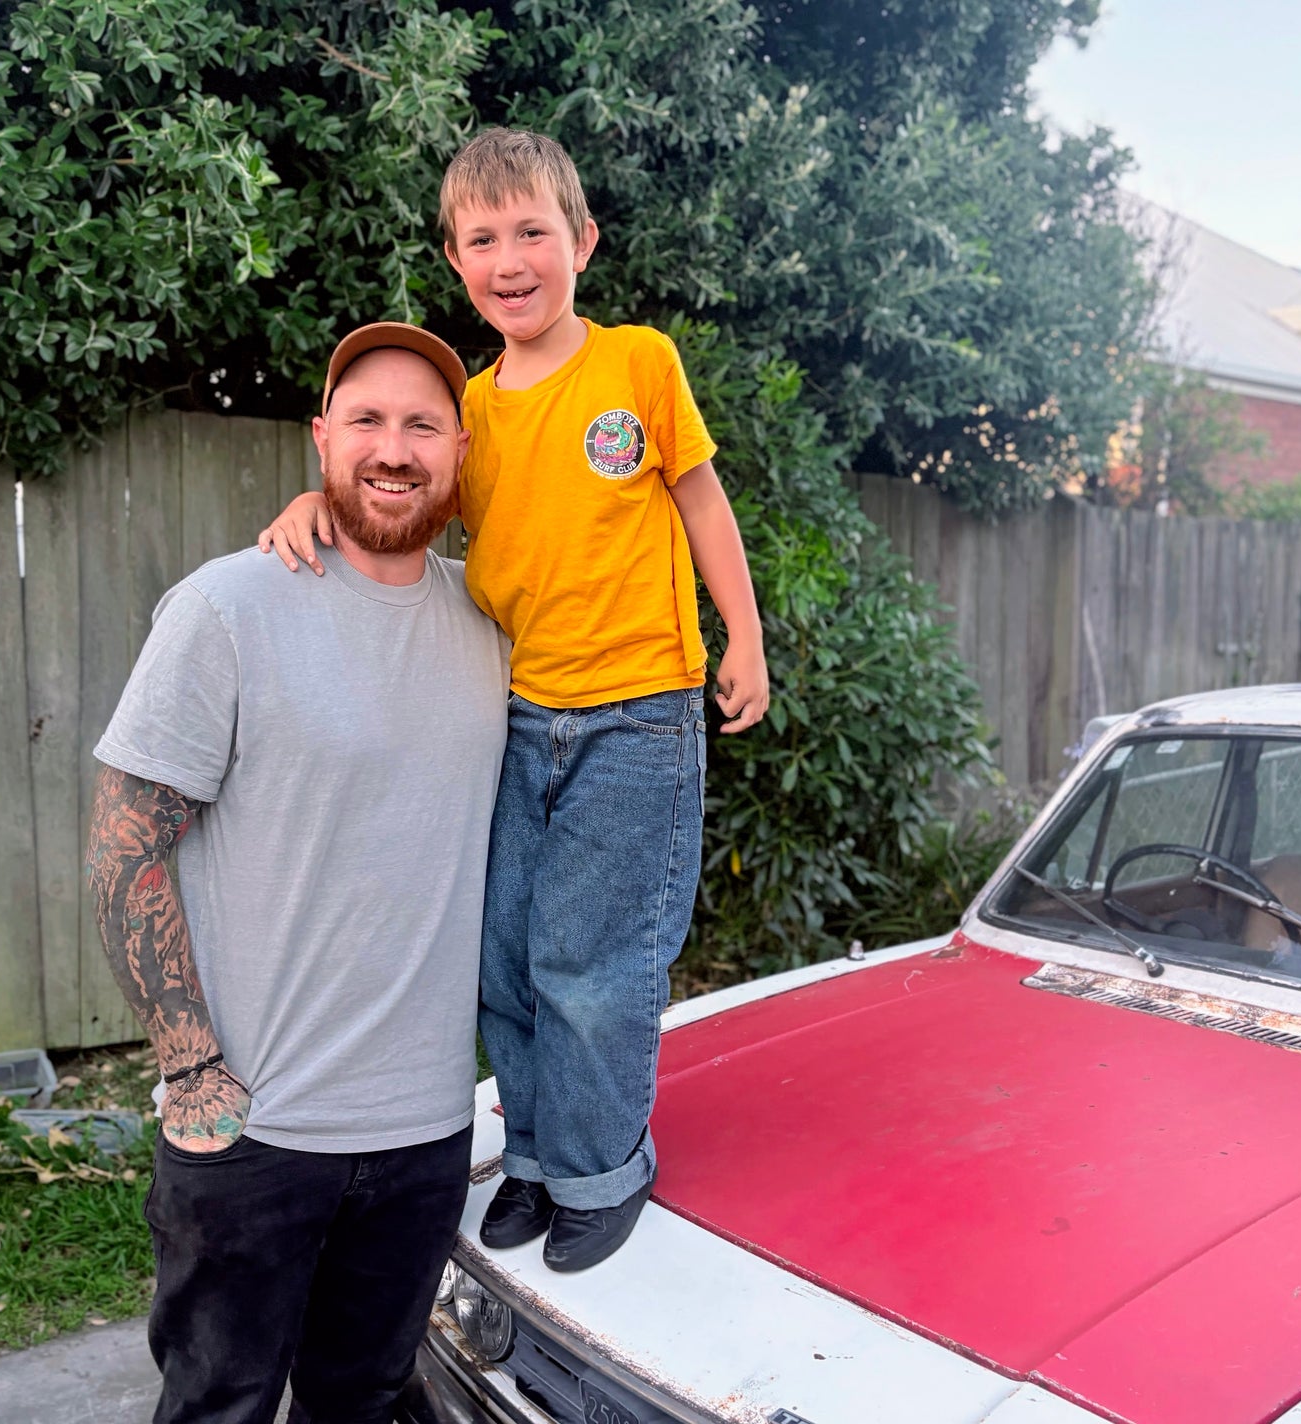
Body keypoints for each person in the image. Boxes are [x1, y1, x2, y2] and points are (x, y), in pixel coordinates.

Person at [260, 128, 769, 1273]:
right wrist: (314, 508)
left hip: (639, 715)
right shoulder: (472, 412)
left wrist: (744, 633)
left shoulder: (636, 363)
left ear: (581, 241)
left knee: (594, 959)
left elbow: (701, 498)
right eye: (482, 238)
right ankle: (536, 1157)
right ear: (457, 262)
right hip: (517, 718)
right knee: (506, 959)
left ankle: (604, 1169)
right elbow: (397, 494)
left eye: (532, 230)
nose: (510, 256)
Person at [87, 322, 509, 1424]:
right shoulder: (230, 606)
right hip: (254, 1136)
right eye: (366, 417)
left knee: (365, 1401)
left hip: (424, 1132)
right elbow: (125, 841)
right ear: (321, 439)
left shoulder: (499, 622)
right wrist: (190, 1068)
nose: (394, 446)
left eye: (423, 424)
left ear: (460, 453)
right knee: (218, 1406)